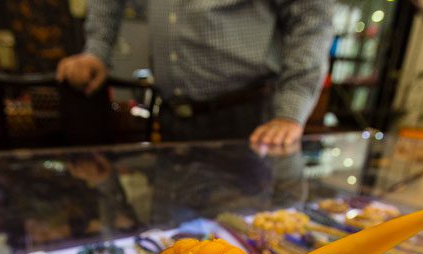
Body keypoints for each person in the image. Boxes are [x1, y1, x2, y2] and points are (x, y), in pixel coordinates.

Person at [57, 0, 333, 146]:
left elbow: (311, 17)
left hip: (247, 117)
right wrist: (96, 50)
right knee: (170, 232)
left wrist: (290, 111)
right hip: (172, 116)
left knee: (237, 233)